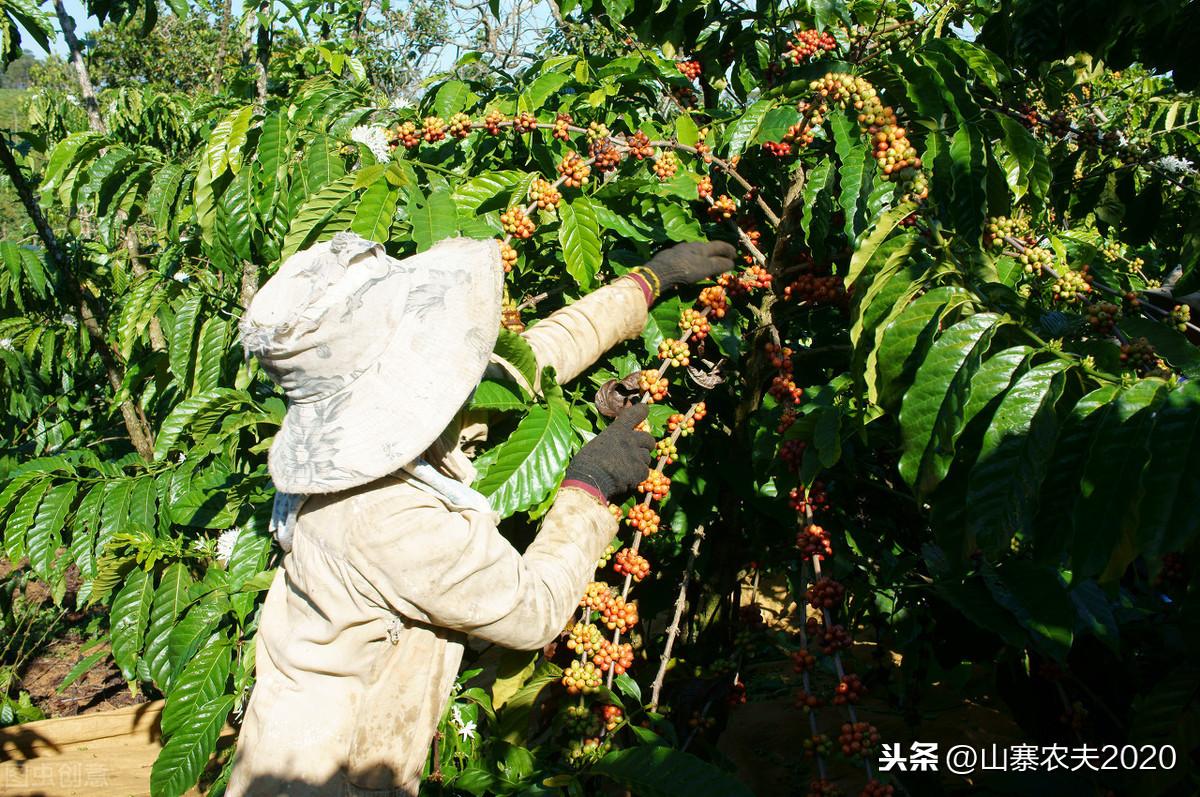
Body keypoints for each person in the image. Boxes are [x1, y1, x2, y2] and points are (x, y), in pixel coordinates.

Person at [226, 231, 736, 796]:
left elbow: (526, 364)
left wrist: (644, 284)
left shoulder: (374, 430)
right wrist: (588, 487)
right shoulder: (382, 517)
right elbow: (534, 609)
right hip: (321, 779)